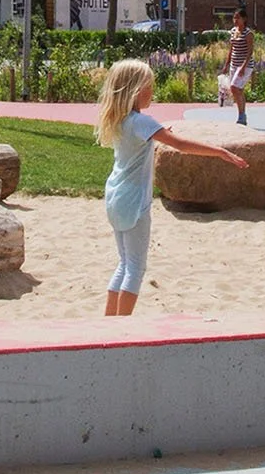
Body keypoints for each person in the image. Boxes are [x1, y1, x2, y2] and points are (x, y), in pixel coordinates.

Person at [98, 57, 246, 316]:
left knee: (123, 263)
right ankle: (120, 328)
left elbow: (152, 136)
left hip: (115, 197)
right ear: (134, 90)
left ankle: (109, 322)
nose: (151, 92)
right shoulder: (142, 122)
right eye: (148, 86)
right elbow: (181, 145)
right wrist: (220, 152)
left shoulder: (122, 120)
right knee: (135, 268)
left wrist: (159, 130)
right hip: (133, 202)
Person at [219, 8, 254, 125]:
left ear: (244, 19)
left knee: (234, 87)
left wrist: (243, 67)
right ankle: (242, 115)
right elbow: (231, 49)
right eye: (234, 17)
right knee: (238, 90)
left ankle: (241, 115)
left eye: (238, 17)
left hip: (245, 65)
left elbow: (250, 51)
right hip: (234, 64)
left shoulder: (248, 33)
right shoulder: (233, 31)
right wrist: (226, 64)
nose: (235, 20)